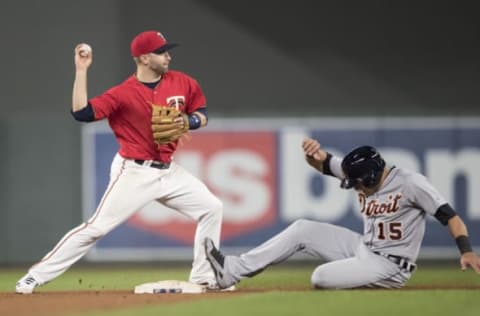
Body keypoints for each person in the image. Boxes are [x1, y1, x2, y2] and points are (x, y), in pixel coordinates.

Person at [16, 30, 226, 294]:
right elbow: (82, 113)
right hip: (134, 172)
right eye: (162, 52)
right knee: (96, 228)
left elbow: (201, 113)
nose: (168, 56)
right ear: (145, 58)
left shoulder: (183, 82)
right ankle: (33, 277)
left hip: (169, 171)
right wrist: (82, 70)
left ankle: (204, 277)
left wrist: (190, 121)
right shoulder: (123, 93)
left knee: (211, 207)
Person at [204, 138, 480, 289]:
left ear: (371, 176)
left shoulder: (411, 183)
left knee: (320, 278)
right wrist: (312, 155)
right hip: (364, 247)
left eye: (358, 182)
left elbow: (450, 216)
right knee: (303, 228)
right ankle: (232, 271)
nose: (354, 186)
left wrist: (465, 250)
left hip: (390, 265)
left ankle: (369, 281)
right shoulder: (361, 173)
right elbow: (324, 164)